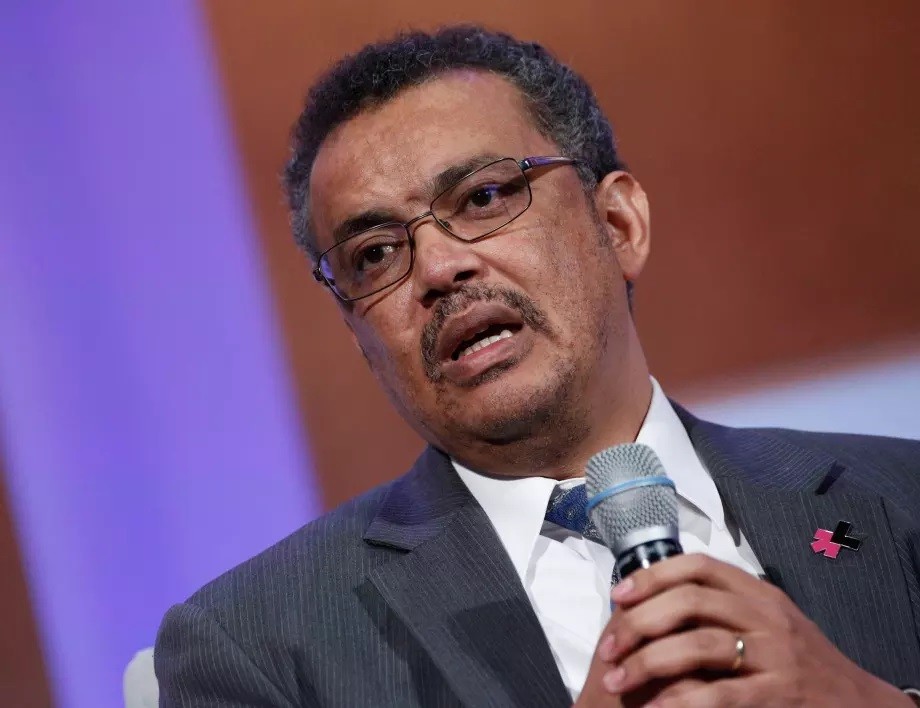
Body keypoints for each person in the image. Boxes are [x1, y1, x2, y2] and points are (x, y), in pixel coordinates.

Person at [155, 25, 920, 706]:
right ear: (358, 332)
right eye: (376, 253)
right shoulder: (258, 648)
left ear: (618, 223)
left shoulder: (900, 496)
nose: (439, 268)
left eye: (484, 196)